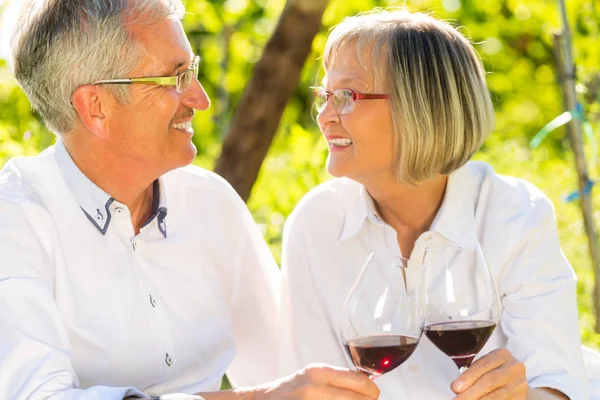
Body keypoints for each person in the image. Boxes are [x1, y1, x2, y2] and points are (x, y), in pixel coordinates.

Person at [0, 1, 381, 399]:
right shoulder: (14, 220)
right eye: (175, 78)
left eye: (192, 71)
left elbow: (292, 367)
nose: (201, 99)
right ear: (96, 107)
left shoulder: (209, 203)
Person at [278, 8, 589, 400]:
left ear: (421, 106)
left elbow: (560, 382)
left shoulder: (514, 214)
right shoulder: (316, 223)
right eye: (325, 95)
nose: (325, 116)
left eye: (346, 96)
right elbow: (315, 387)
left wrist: (524, 396)